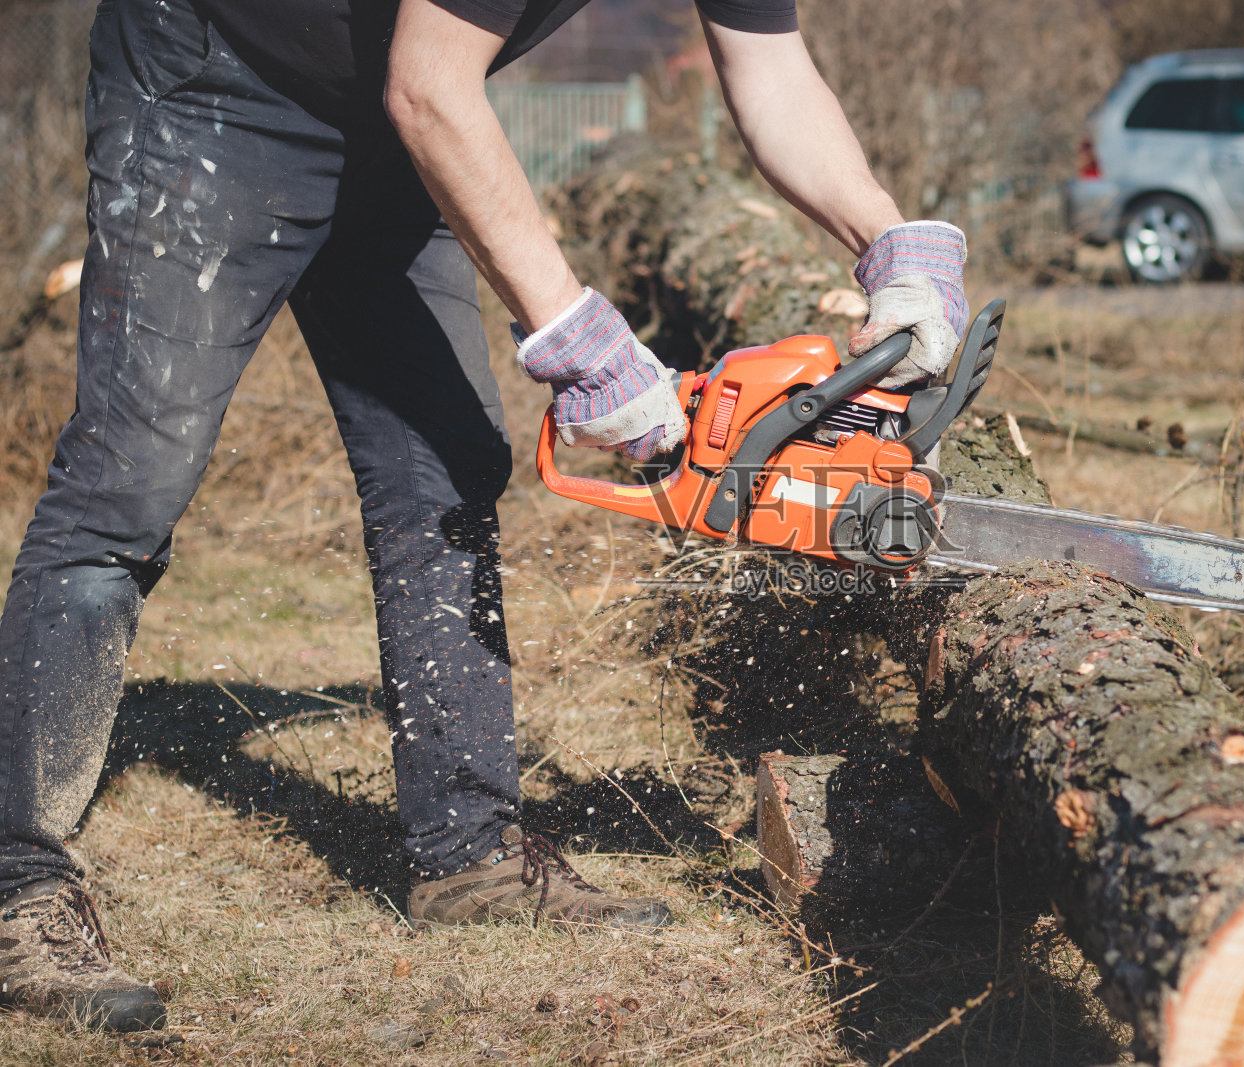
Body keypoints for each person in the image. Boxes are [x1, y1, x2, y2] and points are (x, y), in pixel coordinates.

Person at [0, 0, 968, 1033]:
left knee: (449, 465)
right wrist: (579, 337)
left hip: (387, 119)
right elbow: (430, 84)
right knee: (127, 485)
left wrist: (890, 240)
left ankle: (468, 856)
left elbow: (768, 64)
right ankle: (15, 886)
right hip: (210, 88)